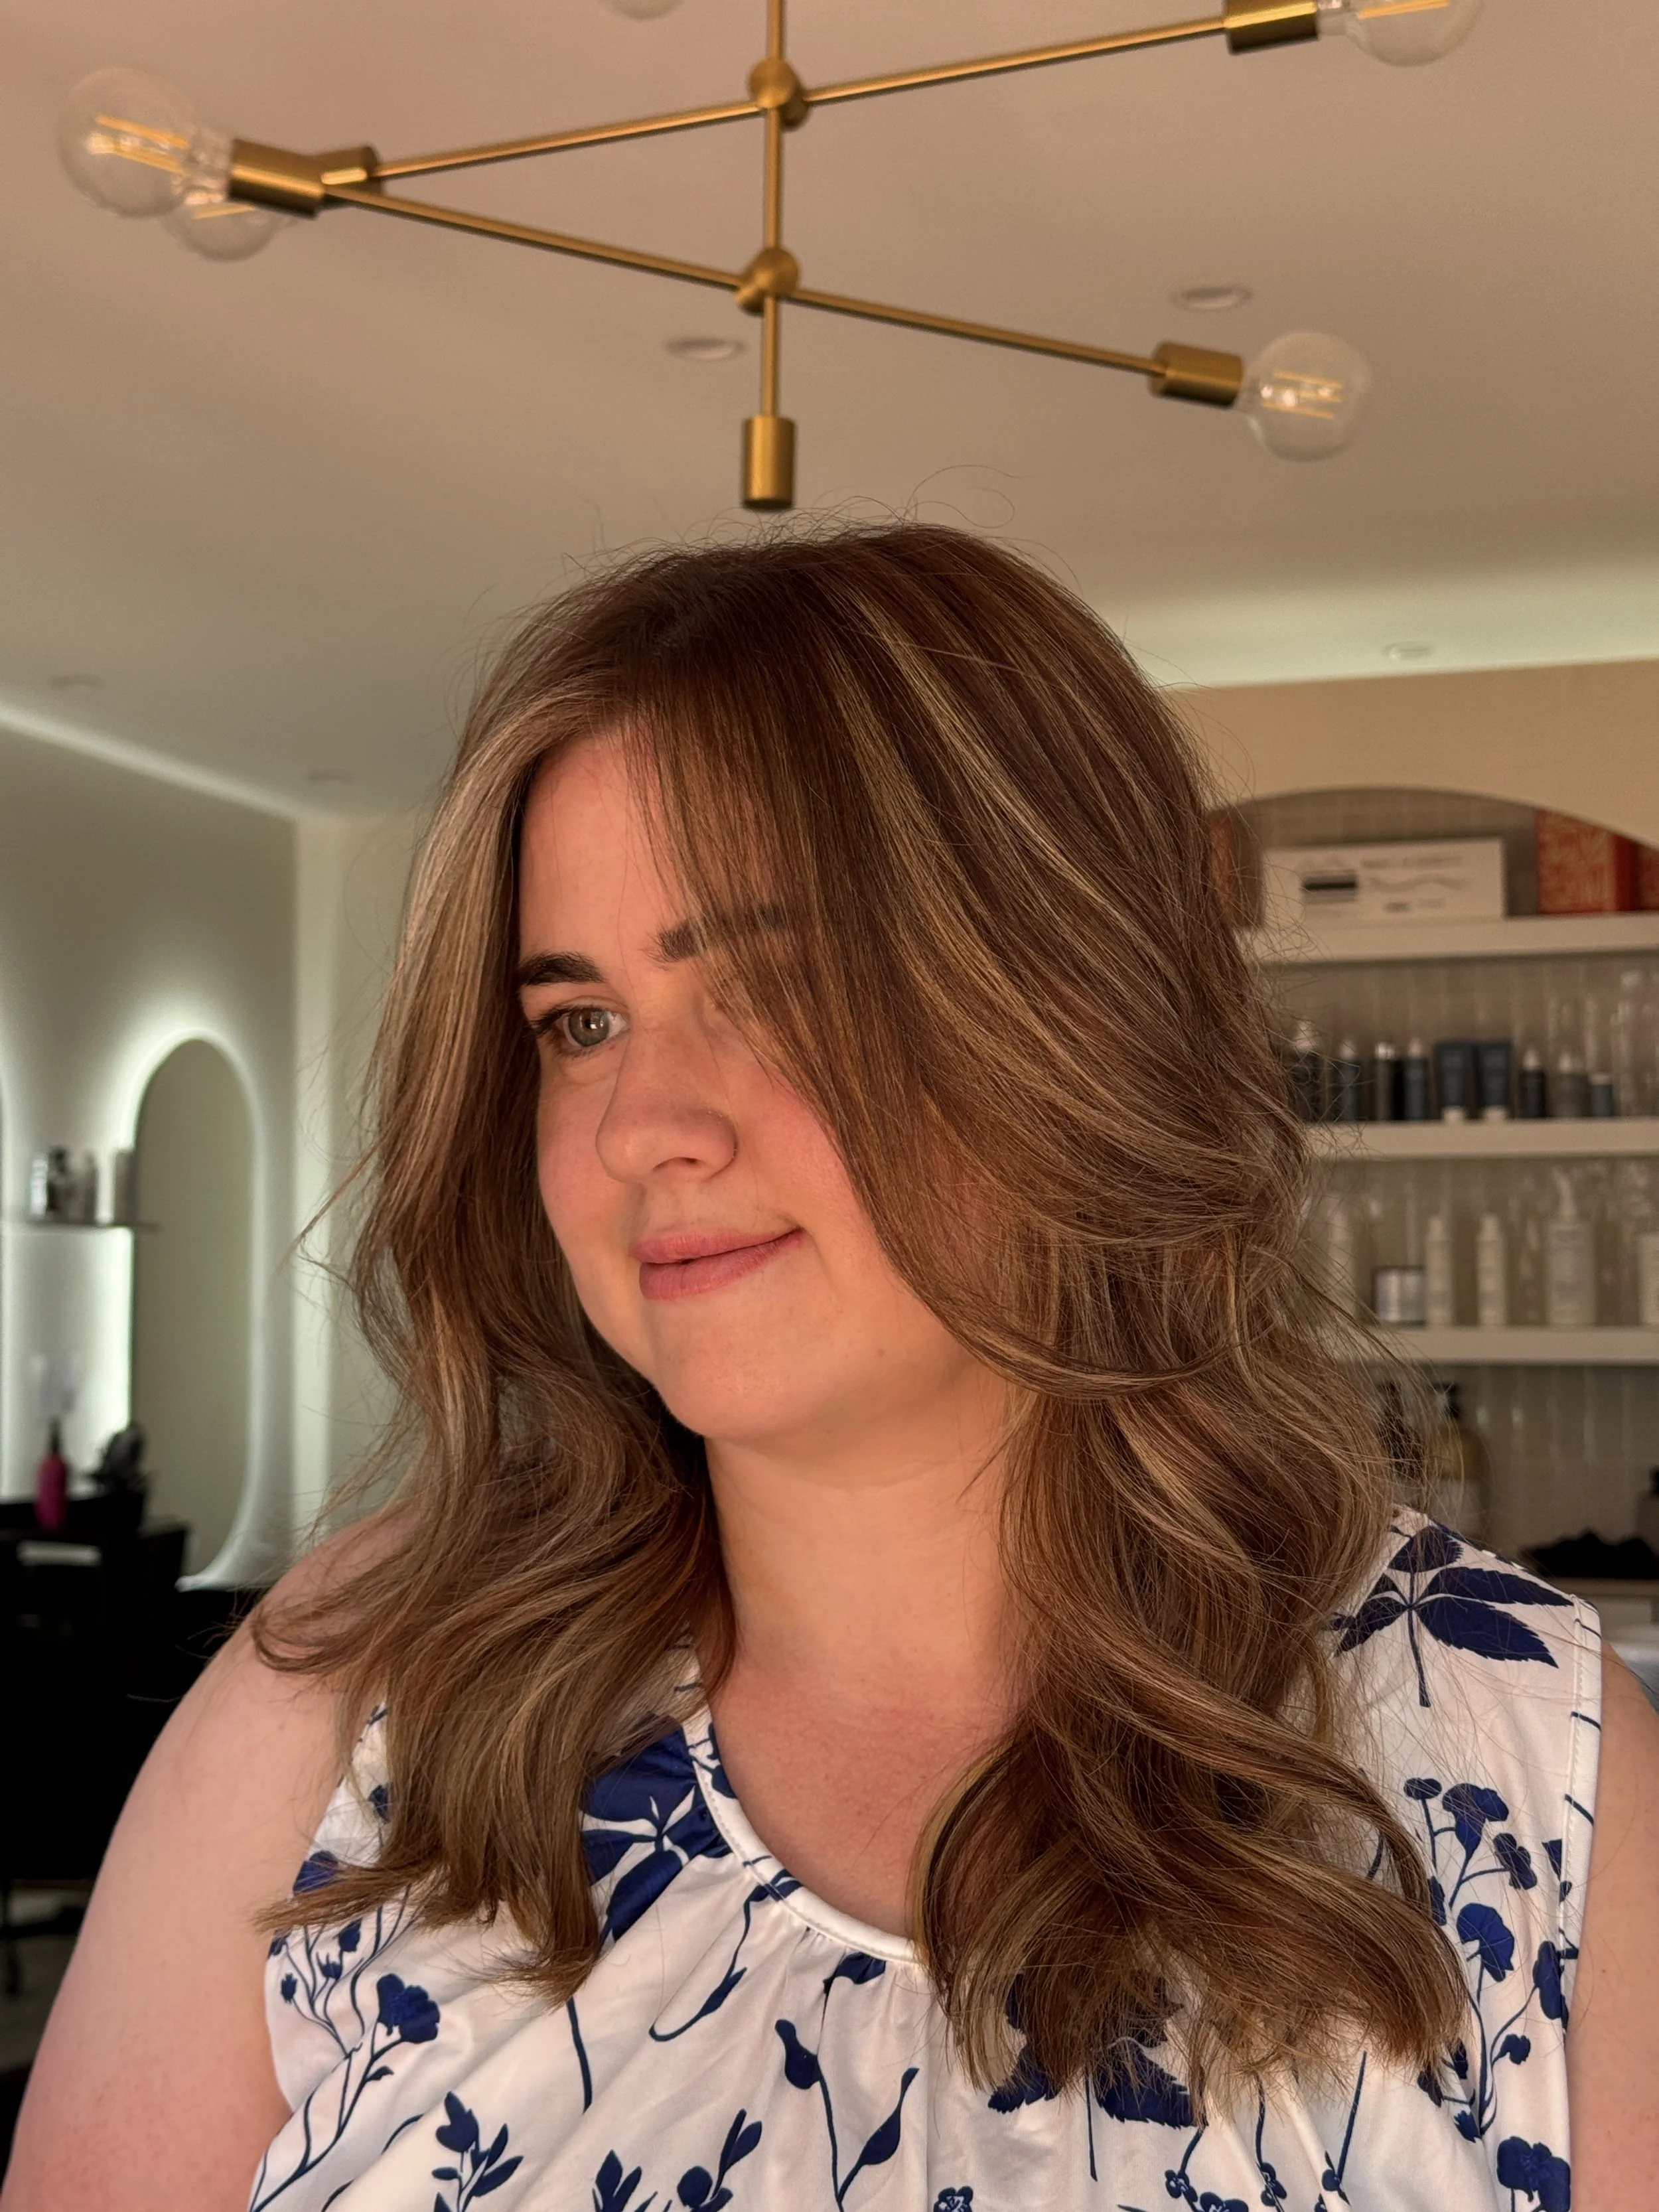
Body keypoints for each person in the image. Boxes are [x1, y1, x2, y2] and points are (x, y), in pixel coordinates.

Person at [7, 524, 1656, 2212]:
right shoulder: (354, 1714)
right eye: (578, 1022)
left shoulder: (1516, 1756)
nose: (642, 1126)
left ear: (1071, 1017)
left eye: (779, 988)